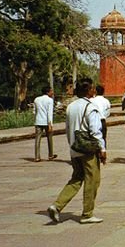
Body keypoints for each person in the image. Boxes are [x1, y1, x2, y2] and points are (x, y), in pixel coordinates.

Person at [47, 78, 106, 224]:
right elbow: (95, 131)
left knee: (77, 178)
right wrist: (102, 148)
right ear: (88, 90)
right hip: (88, 150)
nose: (94, 90)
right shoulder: (91, 107)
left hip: (74, 148)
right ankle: (87, 214)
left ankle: (57, 205)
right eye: (92, 88)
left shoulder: (71, 107)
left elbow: (67, 129)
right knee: (92, 180)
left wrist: (72, 145)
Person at [33, 86, 56, 162]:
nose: (52, 92)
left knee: (37, 139)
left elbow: (34, 111)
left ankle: (37, 156)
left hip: (38, 121)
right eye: (51, 91)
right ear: (47, 92)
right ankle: (50, 155)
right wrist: (50, 124)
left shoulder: (36, 99)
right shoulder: (50, 100)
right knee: (49, 139)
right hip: (46, 122)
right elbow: (49, 113)